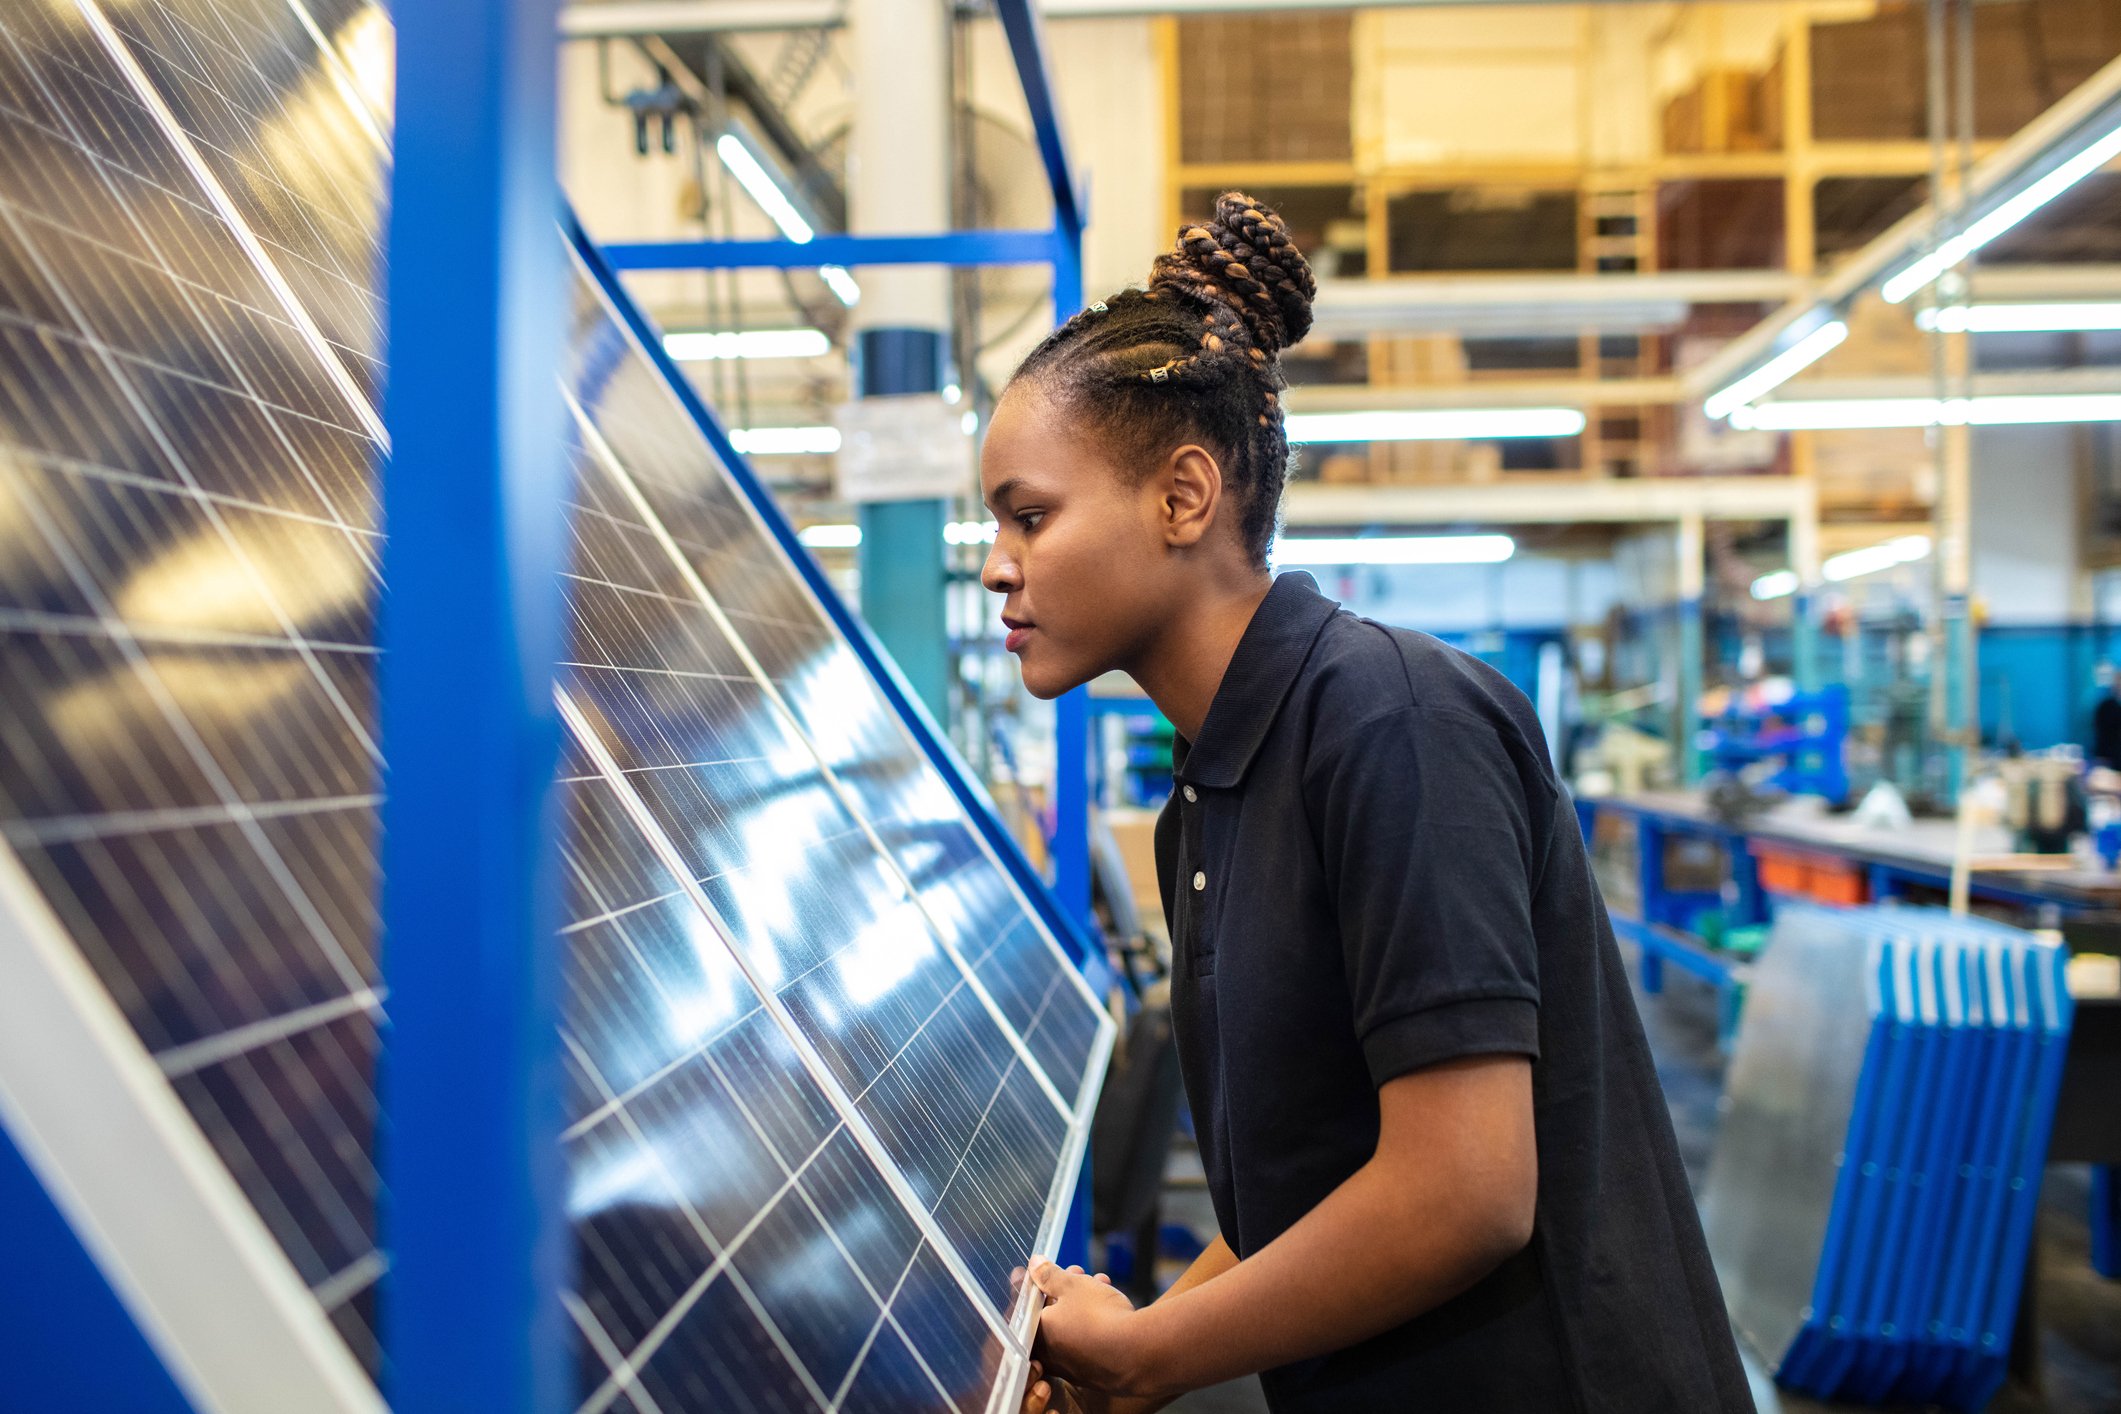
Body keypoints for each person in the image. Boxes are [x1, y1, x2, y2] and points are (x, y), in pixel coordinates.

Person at [981, 193, 1753, 1414]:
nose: (996, 562)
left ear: (1184, 499)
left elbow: (1465, 1191)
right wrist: (1142, 1350)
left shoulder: (1393, 724)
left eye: (1030, 514)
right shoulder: (1214, 799)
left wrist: (1160, 1354)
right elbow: (1320, 1188)